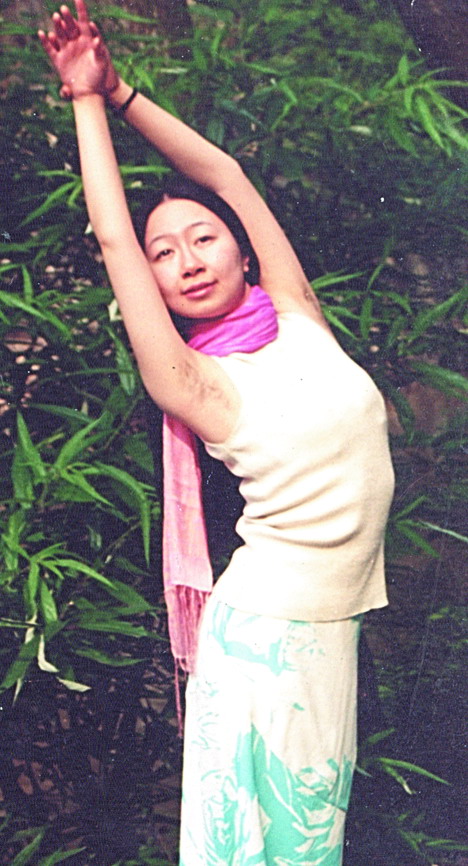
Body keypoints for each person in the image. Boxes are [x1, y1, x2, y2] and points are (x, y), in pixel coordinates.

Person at [39, 4, 395, 864]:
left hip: (330, 637)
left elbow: (226, 175)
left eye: (203, 238)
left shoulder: (300, 317)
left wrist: (121, 90)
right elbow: (114, 240)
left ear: (243, 250)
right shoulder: (195, 381)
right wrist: (83, 101)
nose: (188, 259)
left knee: (308, 850)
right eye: (165, 254)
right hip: (267, 643)